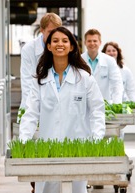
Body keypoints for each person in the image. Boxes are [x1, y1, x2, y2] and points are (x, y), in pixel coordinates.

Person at [19, 27, 106, 193]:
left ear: (72, 46)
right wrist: (24, 140)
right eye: (55, 41)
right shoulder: (41, 80)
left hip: (79, 145)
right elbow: (30, 113)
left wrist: (96, 139)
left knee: (79, 189)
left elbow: (97, 111)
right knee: (46, 188)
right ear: (49, 46)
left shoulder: (84, 78)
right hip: (48, 145)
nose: (60, 44)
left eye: (65, 41)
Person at [19, 12, 62, 111]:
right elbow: (27, 84)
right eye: (50, 32)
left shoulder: (64, 47)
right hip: (34, 106)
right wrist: (34, 109)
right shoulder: (29, 49)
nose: (54, 35)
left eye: (57, 31)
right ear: (41, 30)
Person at [81, 29, 123, 104]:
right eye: (89, 41)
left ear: (100, 42)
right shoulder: (79, 60)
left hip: (104, 105)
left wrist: (117, 104)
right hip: (84, 104)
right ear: (85, 43)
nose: (92, 43)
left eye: (95, 41)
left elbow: (117, 84)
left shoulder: (109, 61)